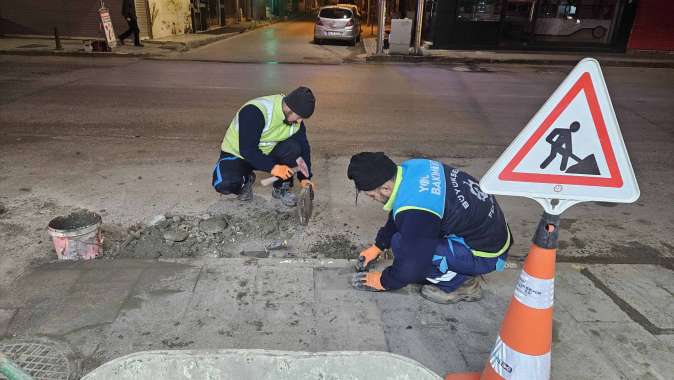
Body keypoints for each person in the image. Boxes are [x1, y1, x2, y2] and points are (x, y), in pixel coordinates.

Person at [347, 152, 512, 304]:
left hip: (486, 255)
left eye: (371, 195)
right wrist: (378, 246)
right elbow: (401, 212)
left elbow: (412, 263)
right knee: (408, 235)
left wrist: (383, 281)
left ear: (385, 189)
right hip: (493, 233)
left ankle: (461, 284)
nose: (373, 199)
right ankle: (457, 267)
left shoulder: (417, 210)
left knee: (404, 248)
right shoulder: (414, 167)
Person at [212, 87, 316, 207]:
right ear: (289, 108)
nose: (300, 121)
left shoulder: (296, 122)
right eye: (299, 117)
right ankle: (246, 180)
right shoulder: (255, 111)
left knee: (294, 147)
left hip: (266, 153)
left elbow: (304, 149)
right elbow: (247, 150)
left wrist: (305, 177)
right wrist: (274, 168)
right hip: (237, 154)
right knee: (224, 183)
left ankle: (281, 187)